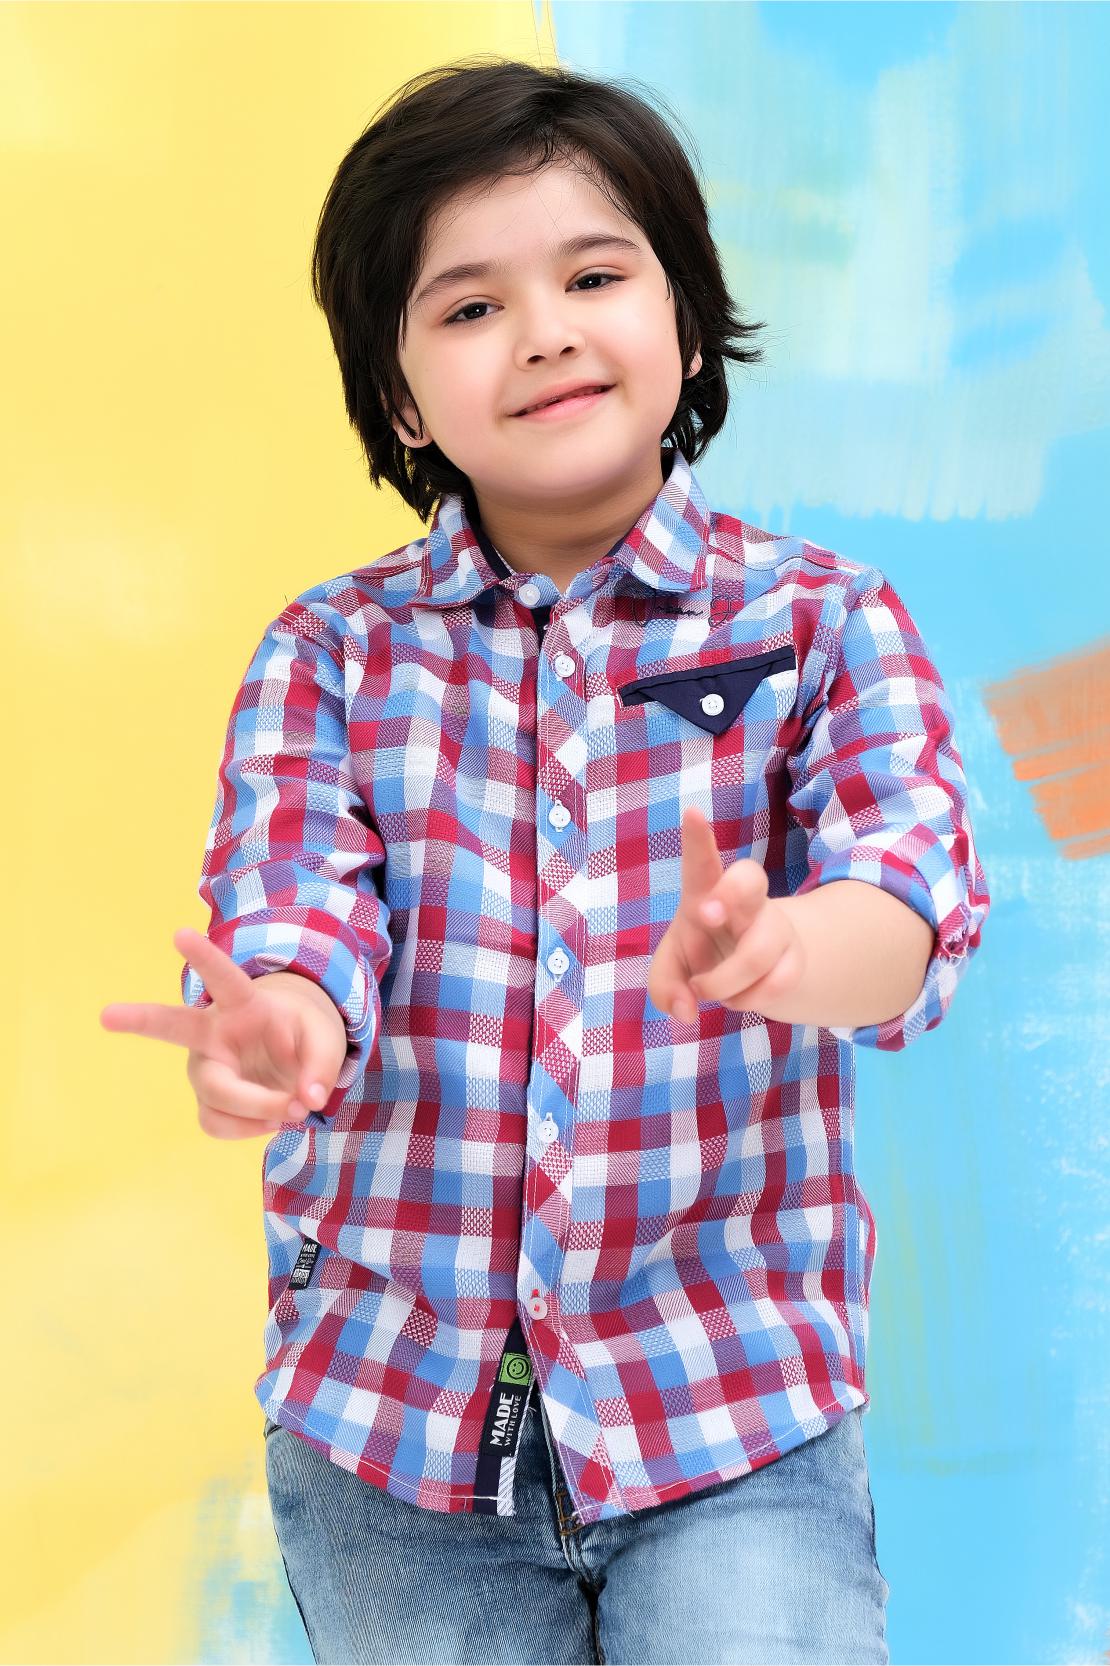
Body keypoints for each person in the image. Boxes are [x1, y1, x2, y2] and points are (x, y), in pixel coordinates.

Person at [100, 56, 991, 1666]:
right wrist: (282, 1026)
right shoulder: (329, 655)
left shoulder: (820, 622)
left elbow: (911, 902)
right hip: (392, 1429)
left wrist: (788, 949)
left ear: (686, 321)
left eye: (593, 276)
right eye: (469, 306)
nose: (543, 332)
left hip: (731, 1411)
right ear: (398, 400)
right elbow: (296, 906)